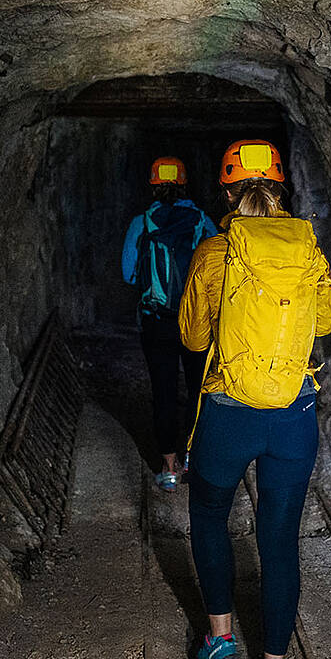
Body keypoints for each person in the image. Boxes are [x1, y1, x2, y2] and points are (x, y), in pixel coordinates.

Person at [178, 139, 331, 659]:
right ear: (281, 189)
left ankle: (220, 638)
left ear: (225, 192)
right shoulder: (305, 248)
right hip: (293, 418)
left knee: (210, 516)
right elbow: (324, 320)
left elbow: (194, 339)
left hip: (229, 416)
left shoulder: (213, 252)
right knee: (279, 541)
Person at [121, 155, 217, 491]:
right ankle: (195, 456)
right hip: (195, 320)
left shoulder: (141, 223)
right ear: (185, 182)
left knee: (163, 392)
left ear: (153, 185)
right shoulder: (202, 221)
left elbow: (129, 273)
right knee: (198, 389)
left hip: (157, 322)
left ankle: (169, 467)